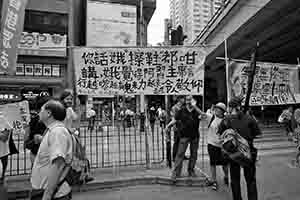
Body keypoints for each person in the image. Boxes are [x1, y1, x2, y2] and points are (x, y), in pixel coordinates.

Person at [217, 96, 262, 200]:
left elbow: (220, 134)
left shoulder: (226, 120)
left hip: (233, 154)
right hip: (248, 153)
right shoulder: (250, 118)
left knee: (235, 180)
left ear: (231, 107)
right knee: (251, 180)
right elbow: (257, 134)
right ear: (239, 107)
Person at [30, 100, 73, 200]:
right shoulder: (53, 130)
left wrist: (47, 195)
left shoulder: (57, 132)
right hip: (45, 191)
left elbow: (58, 164)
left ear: (49, 113)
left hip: (53, 193)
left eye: (41, 110)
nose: (39, 113)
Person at [168, 95, 202, 179]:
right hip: (184, 135)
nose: (189, 101)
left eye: (190, 99)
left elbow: (204, 116)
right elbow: (175, 119)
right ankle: (176, 172)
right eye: (187, 100)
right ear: (185, 101)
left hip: (195, 136)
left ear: (193, 100)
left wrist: (196, 107)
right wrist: (168, 126)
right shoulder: (181, 110)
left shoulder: (197, 110)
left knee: (193, 154)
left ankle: (191, 170)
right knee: (180, 154)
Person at [203, 102, 229, 191]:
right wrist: (194, 106)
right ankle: (214, 180)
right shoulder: (211, 117)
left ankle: (226, 176)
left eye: (218, 109)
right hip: (212, 144)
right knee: (213, 163)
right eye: (216, 108)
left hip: (223, 146)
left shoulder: (226, 120)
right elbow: (202, 114)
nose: (216, 110)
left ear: (222, 111)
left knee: (225, 163)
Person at [24, 95, 51, 166]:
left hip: (52, 156)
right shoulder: (33, 121)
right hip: (36, 155)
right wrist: (35, 140)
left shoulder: (56, 121)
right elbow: (27, 143)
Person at [165, 96, 185, 161]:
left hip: (183, 126)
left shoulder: (183, 107)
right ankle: (174, 156)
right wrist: (173, 126)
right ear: (179, 99)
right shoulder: (174, 107)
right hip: (177, 126)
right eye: (183, 98)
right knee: (176, 142)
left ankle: (182, 155)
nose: (184, 100)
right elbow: (173, 117)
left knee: (182, 142)